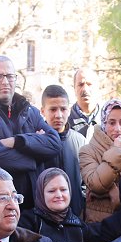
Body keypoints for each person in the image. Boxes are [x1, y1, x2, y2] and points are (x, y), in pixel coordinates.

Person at [0, 56, 61, 222]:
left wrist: (18, 141)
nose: (5, 81)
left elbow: (54, 143)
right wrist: (34, 159)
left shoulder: (31, 112)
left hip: (34, 209)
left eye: (10, 76)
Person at [21, 167, 97, 242]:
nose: (59, 195)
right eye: (51, 191)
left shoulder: (81, 228)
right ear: (40, 193)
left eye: (63, 189)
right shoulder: (27, 222)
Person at [39, 84, 87, 218]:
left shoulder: (80, 141)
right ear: (43, 111)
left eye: (63, 109)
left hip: (75, 215)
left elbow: (86, 182)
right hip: (44, 218)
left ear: (69, 110)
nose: (58, 115)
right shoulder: (36, 141)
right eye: (53, 109)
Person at [68, 68, 101, 136]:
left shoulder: (107, 120)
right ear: (74, 88)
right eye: (80, 84)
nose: (85, 89)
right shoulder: (65, 121)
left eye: (89, 84)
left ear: (97, 87)